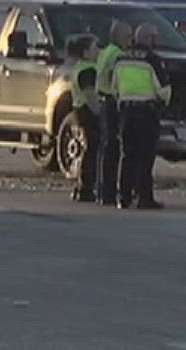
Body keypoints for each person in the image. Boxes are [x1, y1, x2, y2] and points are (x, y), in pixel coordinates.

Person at [111, 23, 171, 210]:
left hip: (126, 112)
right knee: (145, 157)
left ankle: (123, 197)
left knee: (127, 155)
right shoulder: (152, 59)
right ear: (149, 39)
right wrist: (163, 104)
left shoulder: (121, 58)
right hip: (147, 112)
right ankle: (144, 197)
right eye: (155, 37)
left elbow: (114, 87)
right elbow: (164, 89)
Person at [94, 21, 134, 206]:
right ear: (117, 36)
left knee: (105, 148)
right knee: (113, 149)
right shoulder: (117, 55)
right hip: (112, 102)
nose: (130, 40)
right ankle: (109, 191)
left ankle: (102, 190)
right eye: (127, 36)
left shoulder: (105, 52)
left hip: (104, 101)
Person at [63, 34, 101, 203]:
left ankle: (82, 187)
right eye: (95, 48)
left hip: (80, 111)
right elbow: (90, 95)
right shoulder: (88, 70)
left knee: (88, 150)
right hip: (87, 113)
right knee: (92, 151)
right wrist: (100, 112)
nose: (98, 51)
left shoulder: (81, 67)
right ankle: (86, 187)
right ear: (86, 52)